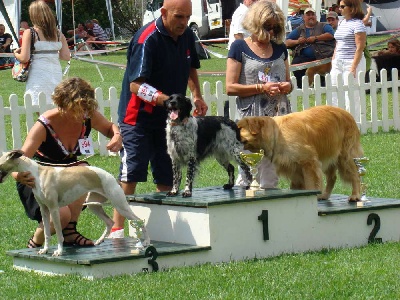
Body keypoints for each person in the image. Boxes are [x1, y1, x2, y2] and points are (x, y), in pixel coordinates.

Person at [111, 0, 208, 238]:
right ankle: (117, 229)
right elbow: (135, 85)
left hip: (169, 119)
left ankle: (167, 227)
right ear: (163, 13)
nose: (184, 23)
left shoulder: (186, 35)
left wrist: (196, 96)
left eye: (188, 17)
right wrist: (164, 100)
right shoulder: (147, 39)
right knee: (131, 172)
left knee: (168, 171)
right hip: (138, 118)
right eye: (178, 17)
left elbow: (191, 67)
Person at [12, 77, 123, 248]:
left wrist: (116, 136)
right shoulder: (45, 125)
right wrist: (18, 176)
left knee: (83, 169)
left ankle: (70, 232)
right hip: (38, 177)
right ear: (63, 104)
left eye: (86, 108)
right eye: (77, 109)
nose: (82, 114)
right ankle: (35, 243)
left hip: (67, 175)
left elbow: (109, 128)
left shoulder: (88, 116)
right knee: (61, 215)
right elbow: (20, 160)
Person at [226, 0, 292, 189]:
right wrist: (261, 88)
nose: (271, 31)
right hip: (251, 122)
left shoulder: (280, 48)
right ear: (256, 23)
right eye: (267, 26)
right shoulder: (239, 48)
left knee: (270, 176)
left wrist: (288, 85)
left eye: (275, 27)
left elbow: (289, 81)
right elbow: (230, 87)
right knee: (248, 175)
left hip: (277, 120)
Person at [13, 1, 70, 106]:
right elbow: (66, 56)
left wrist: (15, 54)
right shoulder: (58, 33)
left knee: (39, 106)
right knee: (55, 105)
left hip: (38, 74)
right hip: (55, 72)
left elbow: (24, 58)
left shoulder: (30, 32)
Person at [330, 0, 366, 123]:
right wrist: (334, 58)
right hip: (338, 62)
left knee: (351, 94)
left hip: (350, 62)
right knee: (334, 91)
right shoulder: (341, 22)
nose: (339, 9)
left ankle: (352, 122)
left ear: (352, 8)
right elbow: (338, 42)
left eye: (342, 6)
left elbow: (360, 47)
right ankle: (337, 122)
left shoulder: (358, 24)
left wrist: (353, 67)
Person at [285, 7, 335, 88]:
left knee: (316, 70)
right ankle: (301, 86)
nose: (311, 17)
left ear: (316, 16)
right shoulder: (300, 29)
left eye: (313, 15)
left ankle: (321, 84)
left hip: (322, 55)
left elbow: (331, 34)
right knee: (296, 63)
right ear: (304, 18)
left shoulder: (323, 25)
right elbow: (287, 42)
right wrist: (297, 41)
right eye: (308, 15)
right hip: (304, 57)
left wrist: (316, 38)